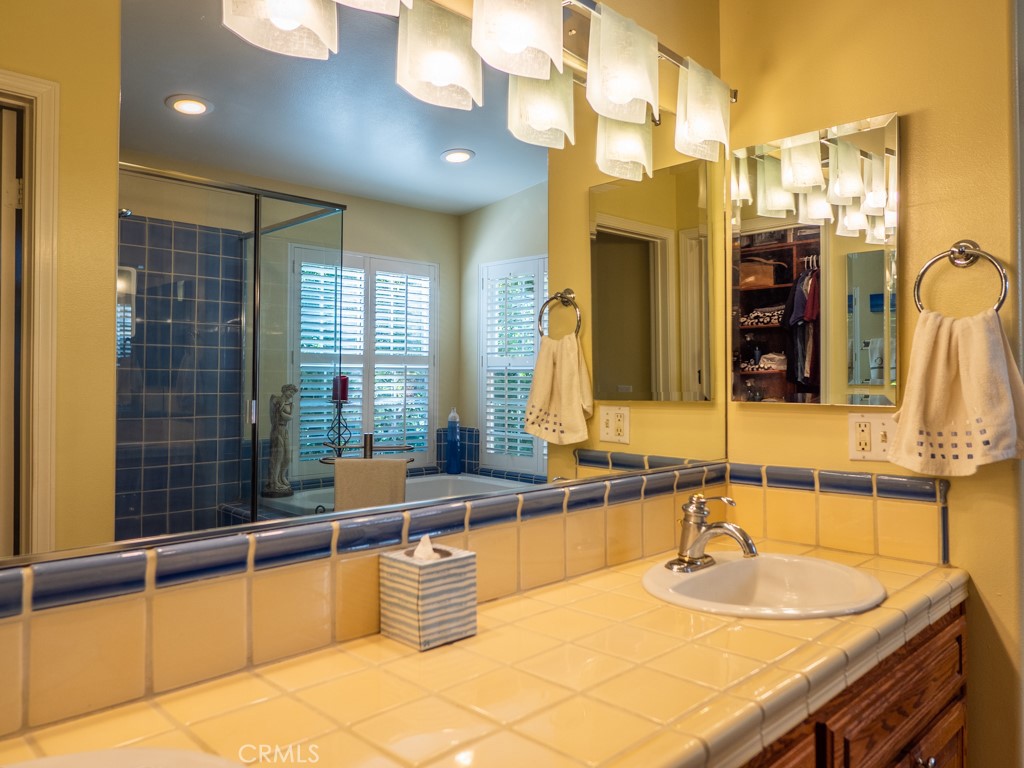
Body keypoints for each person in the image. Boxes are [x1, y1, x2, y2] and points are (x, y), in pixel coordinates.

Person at [264, 383, 298, 496]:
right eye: (290, 392)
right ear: (284, 390)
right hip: (277, 429)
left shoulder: (291, 404)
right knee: (278, 457)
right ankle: (274, 482)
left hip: (285, 430)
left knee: (287, 457)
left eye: (293, 393)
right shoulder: (276, 400)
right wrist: (282, 413)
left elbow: (289, 417)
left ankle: (282, 477)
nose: (291, 394)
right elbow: (276, 416)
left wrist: (283, 413)